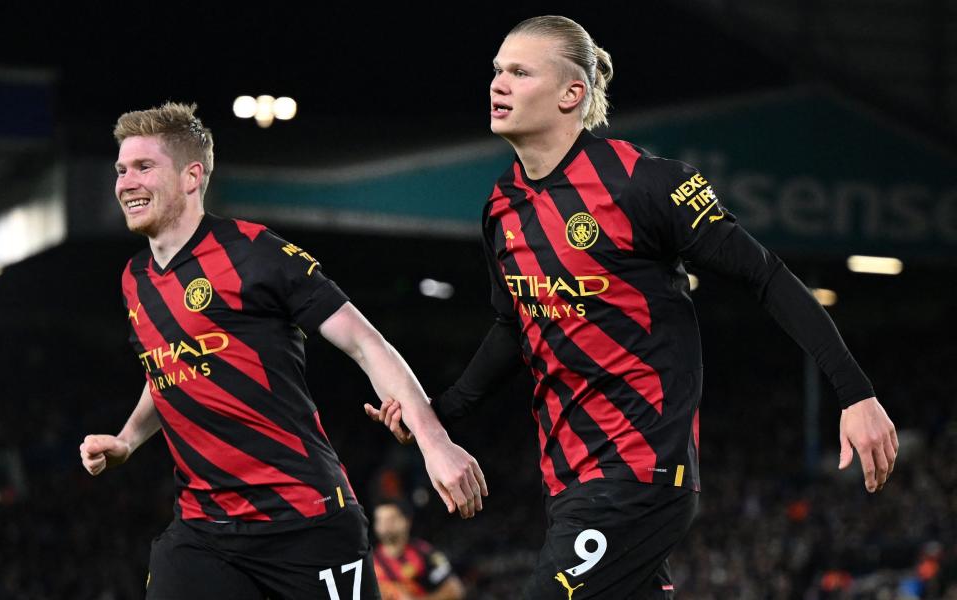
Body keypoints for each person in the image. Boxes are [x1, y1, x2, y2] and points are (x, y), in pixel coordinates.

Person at [367, 15, 898, 599]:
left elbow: (765, 275)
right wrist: (440, 414)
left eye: (519, 72)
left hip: (638, 474)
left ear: (573, 94)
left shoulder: (643, 184)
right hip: (568, 479)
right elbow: (516, 324)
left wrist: (856, 392)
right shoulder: (501, 206)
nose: (498, 84)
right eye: (496, 70)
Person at [78, 102, 488, 600]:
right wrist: (127, 438)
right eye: (122, 169)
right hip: (203, 530)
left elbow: (365, 343)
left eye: (144, 167)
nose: (125, 182)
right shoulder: (134, 281)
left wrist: (434, 442)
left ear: (191, 177)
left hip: (306, 521)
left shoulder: (256, 252)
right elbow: (169, 368)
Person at [372, 500, 465, 600]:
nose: (385, 525)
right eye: (380, 520)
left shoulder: (424, 552)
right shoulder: (369, 560)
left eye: (391, 520)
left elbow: (455, 590)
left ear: (406, 521)